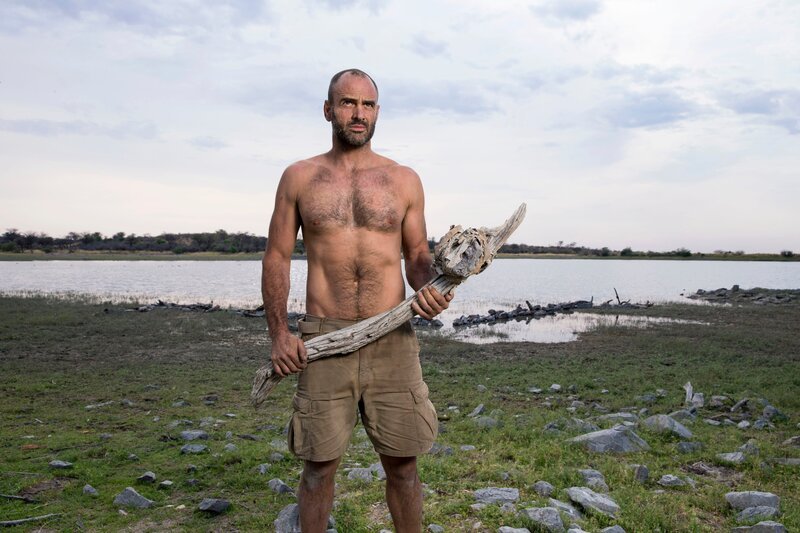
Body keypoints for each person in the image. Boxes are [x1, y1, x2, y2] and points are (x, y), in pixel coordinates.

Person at [261, 68, 452, 532]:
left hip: (393, 337)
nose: (358, 113)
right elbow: (277, 257)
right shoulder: (300, 177)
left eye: (367, 105)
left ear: (378, 113)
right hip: (324, 338)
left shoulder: (403, 179)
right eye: (348, 103)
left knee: (404, 465)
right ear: (329, 110)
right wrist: (280, 335)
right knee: (318, 467)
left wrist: (432, 289)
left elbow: (416, 256)